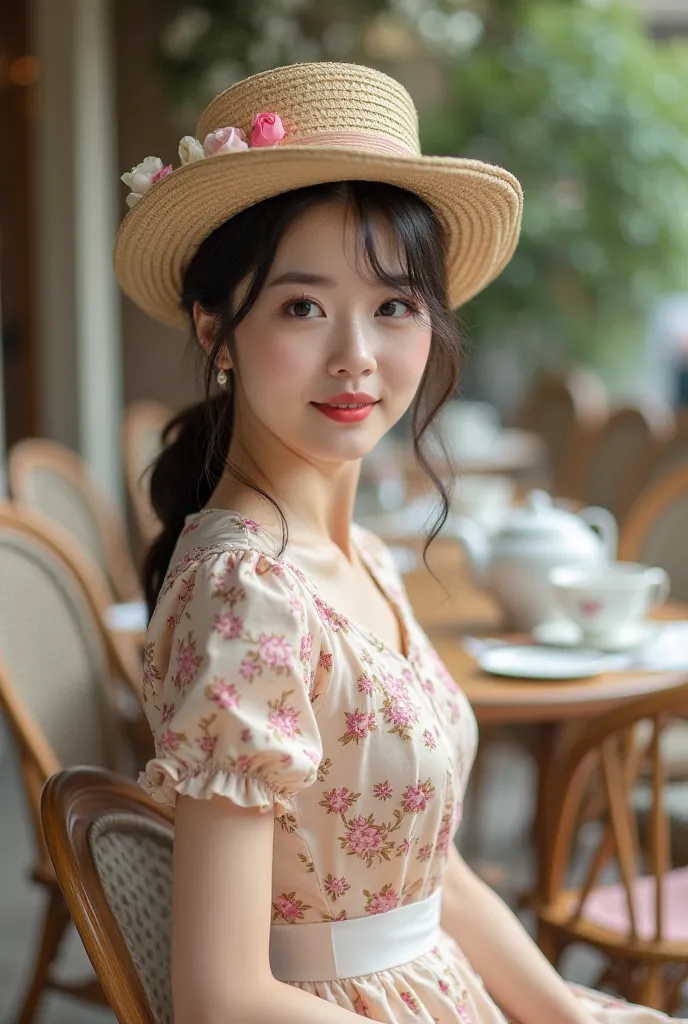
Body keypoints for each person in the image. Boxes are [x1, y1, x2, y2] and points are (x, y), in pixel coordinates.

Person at [114, 62, 684, 1024]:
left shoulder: (361, 559)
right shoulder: (248, 592)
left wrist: (568, 1015)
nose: (357, 356)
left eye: (394, 306)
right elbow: (220, 999)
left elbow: (437, 878)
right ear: (217, 330)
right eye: (302, 305)